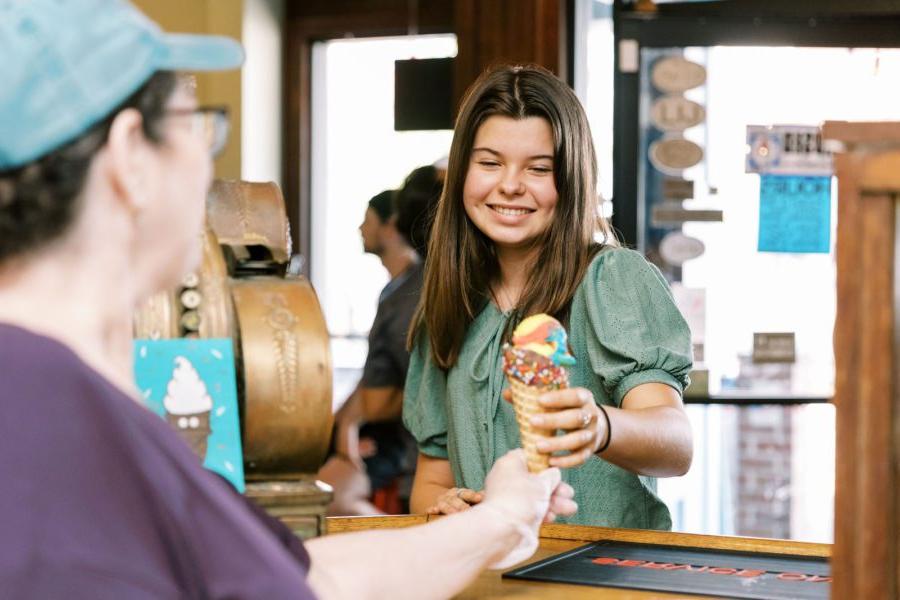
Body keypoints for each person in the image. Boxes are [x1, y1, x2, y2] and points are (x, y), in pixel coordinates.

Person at [0, 3, 577, 599]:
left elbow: (311, 579)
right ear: (129, 158)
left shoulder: (65, 398)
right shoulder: (52, 421)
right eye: (194, 124)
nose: (206, 159)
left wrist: (502, 517)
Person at [403, 64, 694, 529]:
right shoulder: (449, 305)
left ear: (571, 180)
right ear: (462, 173)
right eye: (490, 163)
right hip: (491, 580)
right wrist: (445, 506)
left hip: (603, 580)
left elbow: (675, 445)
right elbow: (431, 480)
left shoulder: (611, 279)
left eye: (539, 168)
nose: (511, 184)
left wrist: (599, 425)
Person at [319, 189, 422, 515]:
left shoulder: (412, 294)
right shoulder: (392, 292)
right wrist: (339, 424)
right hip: (374, 430)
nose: (360, 229)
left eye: (367, 220)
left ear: (390, 226)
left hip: (398, 440)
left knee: (330, 499)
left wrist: (351, 424)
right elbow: (372, 378)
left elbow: (386, 396)